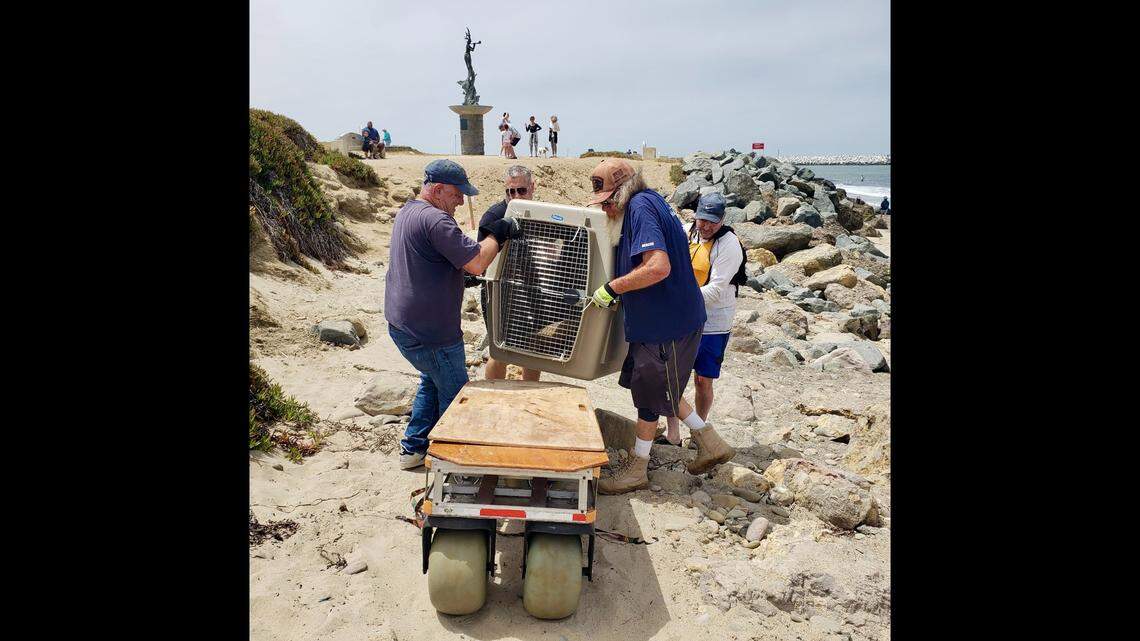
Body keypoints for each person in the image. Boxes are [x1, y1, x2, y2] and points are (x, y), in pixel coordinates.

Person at [585, 159, 735, 494]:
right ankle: (709, 441)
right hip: (667, 319)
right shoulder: (650, 202)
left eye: (608, 201)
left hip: (667, 322)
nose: (607, 208)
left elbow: (657, 267)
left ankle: (638, 469)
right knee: (656, 387)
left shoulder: (639, 209)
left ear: (623, 192)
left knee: (651, 396)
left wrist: (612, 288)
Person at [385, 159, 522, 470]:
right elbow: (476, 263)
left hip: (403, 325)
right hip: (431, 333)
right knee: (457, 396)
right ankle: (452, 465)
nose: (462, 200)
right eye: (458, 194)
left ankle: (413, 449)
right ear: (437, 189)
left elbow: (435, 261)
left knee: (431, 381)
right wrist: (497, 237)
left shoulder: (408, 212)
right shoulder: (436, 221)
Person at [675, 192, 745, 443]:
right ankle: (673, 434)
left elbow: (715, 290)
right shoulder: (687, 231)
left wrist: (675, 299)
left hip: (714, 319)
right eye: (701, 220)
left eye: (711, 222)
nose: (705, 227)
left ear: (722, 219)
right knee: (676, 375)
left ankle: (699, 431)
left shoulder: (729, 245)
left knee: (703, 379)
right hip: (683, 315)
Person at [470, 165, 543, 382]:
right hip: (499, 290)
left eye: (521, 190)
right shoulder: (494, 216)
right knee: (500, 350)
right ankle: (496, 393)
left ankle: (529, 395)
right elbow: (481, 260)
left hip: (531, 288)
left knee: (534, 347)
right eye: (510, 192)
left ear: (532, 187)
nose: (515, 196)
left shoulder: (541, 214)